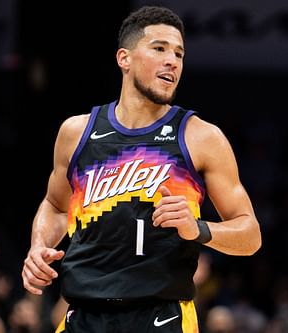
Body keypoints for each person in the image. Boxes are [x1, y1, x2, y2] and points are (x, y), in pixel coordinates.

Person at [21, 5, 262, 333]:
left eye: (179, 53)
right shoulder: (77, 132)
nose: (172, 61)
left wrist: (198, 229)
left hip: (160, 316)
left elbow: (250, 235)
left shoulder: (200, 136)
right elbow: (55, 206)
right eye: (159, 48)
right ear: (125, 58)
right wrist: (38, 245)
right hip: (83, 314)